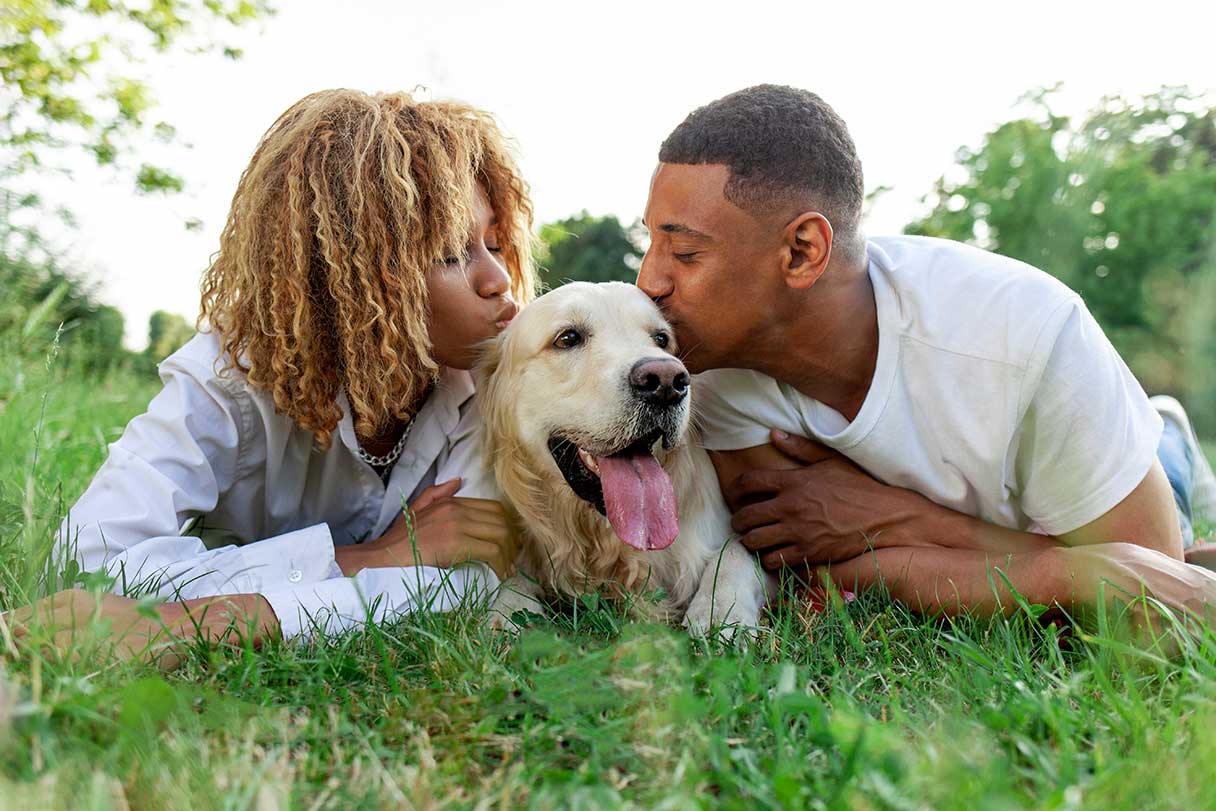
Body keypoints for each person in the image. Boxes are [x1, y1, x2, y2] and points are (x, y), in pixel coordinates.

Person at [637, 84, 1216, 627]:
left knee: (1162, 495)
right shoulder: (704, 373)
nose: (649, 282)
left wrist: (902, 520)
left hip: (1102, 481)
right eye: (651, 245)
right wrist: (1072, 574)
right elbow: (808, 570)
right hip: (1037, 520)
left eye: (684, 253)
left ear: (801, 251)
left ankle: (1167, 434)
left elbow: (1148, 584)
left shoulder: (1025, 331)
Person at [7, 89, 532, 666]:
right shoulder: (229, 375)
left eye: (494, 243)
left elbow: (463, 587)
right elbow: (90, 567)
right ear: (350, 275)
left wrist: (190, 623)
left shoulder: (500, 380)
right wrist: (367, 558)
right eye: (454, 253)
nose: (500, 280)